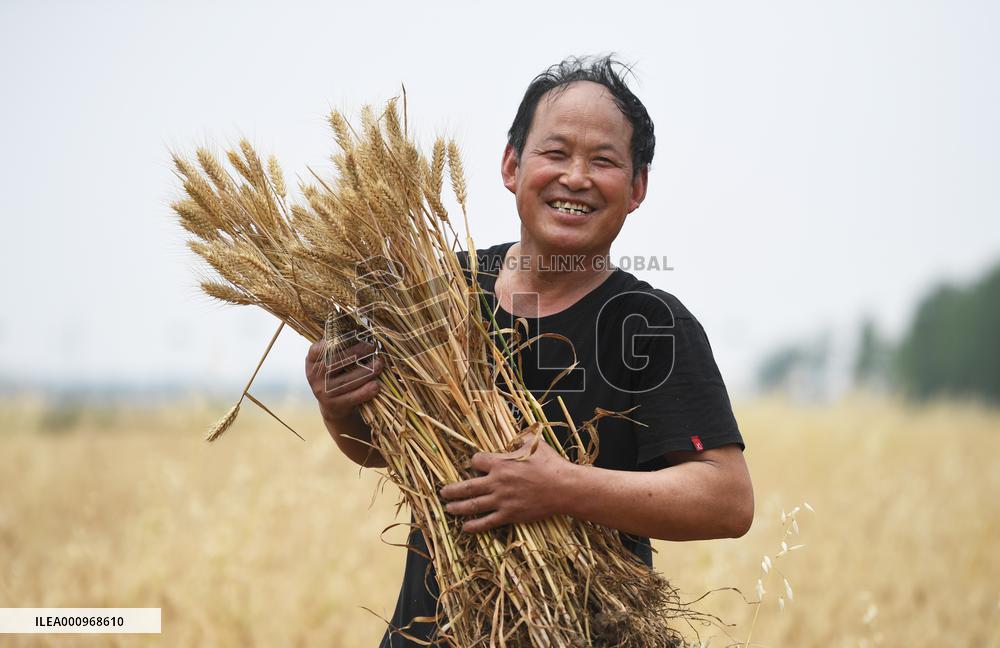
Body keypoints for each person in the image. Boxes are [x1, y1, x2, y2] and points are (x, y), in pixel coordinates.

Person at [304, 55, 754, 647]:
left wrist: (560, 486)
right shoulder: (437, 294)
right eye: (555, 152)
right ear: (512, 166)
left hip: (585, 632)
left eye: (604, 161)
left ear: (637, 187)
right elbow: (386, 451)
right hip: (430, 633)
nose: (575, 177)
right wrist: (339, 407)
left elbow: (727, 499)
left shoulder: (651, 326)